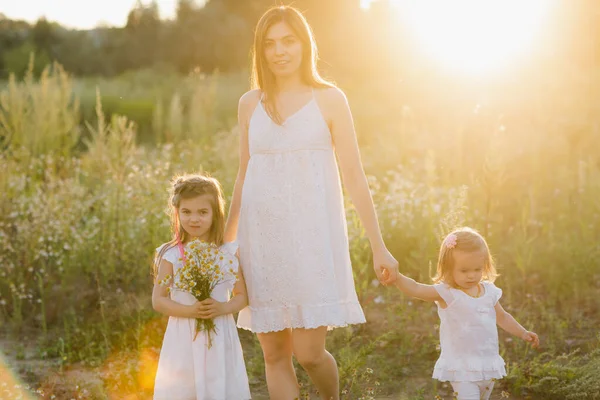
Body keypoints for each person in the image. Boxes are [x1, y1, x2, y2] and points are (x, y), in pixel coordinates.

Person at [223, 5, 399, 399]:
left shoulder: (330, 99)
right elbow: (243, 173)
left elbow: (354, 176)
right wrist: (226, 244)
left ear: (305, 45)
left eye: (288, 41)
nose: (279, 51)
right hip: (261, 241)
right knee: (273, 354)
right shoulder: (250, 103)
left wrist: (379, 246)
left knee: (309, 354)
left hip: (311, 242)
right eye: (269, 44)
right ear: (260, 50)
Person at [390, 227, 539, 400]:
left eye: (477, 269)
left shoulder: (489, 292)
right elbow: (417, 289)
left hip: (487, 363)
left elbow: (503, 317)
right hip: (461, 367)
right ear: (448, 268)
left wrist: (523, 332)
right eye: (464, 270)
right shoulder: (448, 293)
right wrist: (397, 278)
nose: (472, 276)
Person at [152, 174, 251, 400]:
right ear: (177, 212)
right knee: (184, 387)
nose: (194, 219)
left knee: (219, 386)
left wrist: (221, 308)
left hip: (219, 333)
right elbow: (159, 300)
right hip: (183, 336)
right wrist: (191, 311)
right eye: (186, 212)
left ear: (215, 213)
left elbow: (241, 296)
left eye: (202, 212)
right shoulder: (171, 254)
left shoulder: (226, 252)